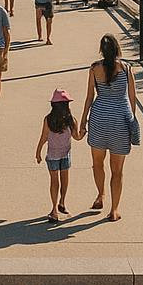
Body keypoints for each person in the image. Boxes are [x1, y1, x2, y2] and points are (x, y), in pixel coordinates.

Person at [79, 34, 137, 222]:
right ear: (117, 49)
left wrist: (82, 122)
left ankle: (100, 195)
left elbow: (89, 97)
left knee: (97, 163)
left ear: (102, 51)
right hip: (120, 120)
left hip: (99, 119)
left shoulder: (94, 69)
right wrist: (132, 121)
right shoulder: (127, 68)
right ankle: (114, 209)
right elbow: (132, 98)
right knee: (117, 170)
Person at [35, 88, 79, 223]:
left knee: (54, 181)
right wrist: (84, 130)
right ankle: (62, 202)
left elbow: (43, 137)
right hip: (66, 154)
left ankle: (54, 210)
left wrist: (38, 152)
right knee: (64, 179)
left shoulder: (48, 119)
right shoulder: (71, 119)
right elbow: (77, 137)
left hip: (52, 155)